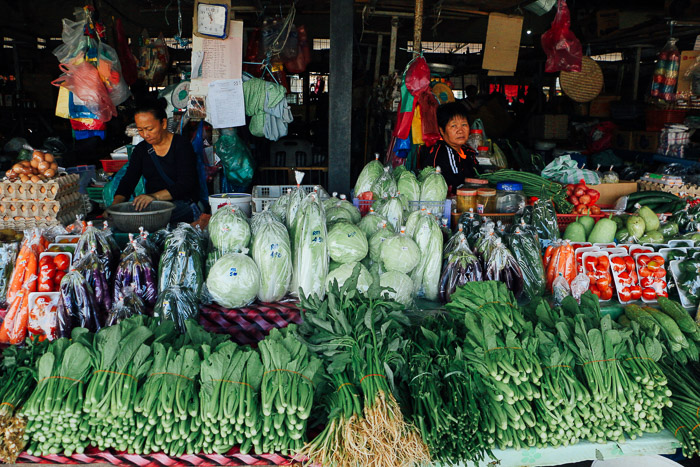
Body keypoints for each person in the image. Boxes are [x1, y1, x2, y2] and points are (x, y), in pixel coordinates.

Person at [111, 99, 201, 224]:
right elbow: (128, 181)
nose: (145, 135)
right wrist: (115, 206)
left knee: (148, 222)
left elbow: (186, 183)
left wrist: (154, 197)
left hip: (183, 204)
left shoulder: (181, 145)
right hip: (155, 207)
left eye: (149, 129)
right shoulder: (141, 150)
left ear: (163, 124)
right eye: (141, 130)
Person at [419, 102, 478, 192]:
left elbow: (478, 173)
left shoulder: (468, 151)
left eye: (464, 125)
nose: (460, 131)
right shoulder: (441, 152)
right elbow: (454, 183)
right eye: (454, 126)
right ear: (442, 130)